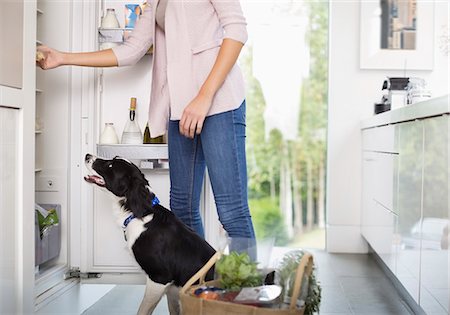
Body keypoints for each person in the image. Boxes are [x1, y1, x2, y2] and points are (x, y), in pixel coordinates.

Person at [37, 0, 256, 256]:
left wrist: (204, 97)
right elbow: (132, 49)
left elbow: (237, 30)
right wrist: (63, 58)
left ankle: (245, 293)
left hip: (219, 102)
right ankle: (196, 287)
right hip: (180, 109)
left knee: (232, 211)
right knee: (183, 209)